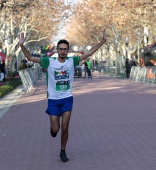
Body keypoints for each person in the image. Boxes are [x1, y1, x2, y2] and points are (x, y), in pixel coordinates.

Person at [19, 30, 106, 162]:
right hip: (53, 99)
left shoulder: (72, 61)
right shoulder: (49, 61)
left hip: (67, 98)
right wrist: (21, 45)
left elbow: (89, 53)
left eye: (65, 49)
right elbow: (30, 58)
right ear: (57, 50)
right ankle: (53, 127)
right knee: (56, 129)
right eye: (60, 49)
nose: (63, 51)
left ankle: (63, 151)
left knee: (65, 127)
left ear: (68, 50)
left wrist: (102, 41)